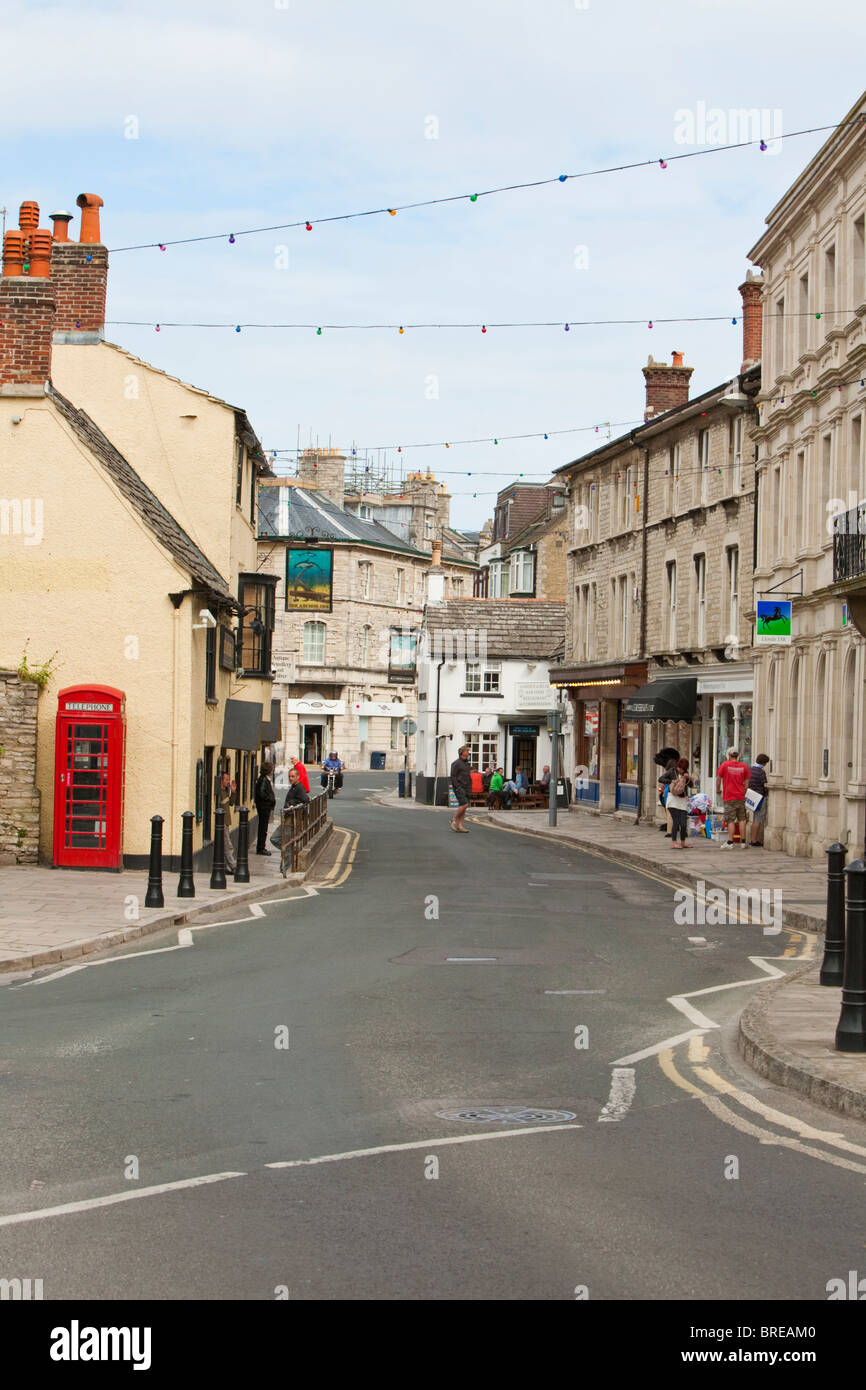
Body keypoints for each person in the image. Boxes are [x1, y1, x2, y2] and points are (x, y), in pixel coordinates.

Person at [716, 746, 751, 848]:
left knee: (730, 820)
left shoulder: (725, 765)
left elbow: (718, 779)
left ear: (729, 755)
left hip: (729, 796)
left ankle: (730, 842)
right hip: (740, 796)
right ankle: (743, 842)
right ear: (738, 755)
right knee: (742, 819)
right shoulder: (744, 766)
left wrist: (718, 790)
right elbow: (747, 782)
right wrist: (743, 792)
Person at [666, 757, 694, 850]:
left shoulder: (685, 773)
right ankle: (674, 842)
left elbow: (691, 785)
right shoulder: (671, 771)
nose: (681, 770)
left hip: (682, 800)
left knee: (683, 823)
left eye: (683, 769)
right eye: (680, 768)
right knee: (676, 822)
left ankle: (683, 842)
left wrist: (687, 777)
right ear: (678, 766)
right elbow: (661, 779)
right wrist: (672, 781)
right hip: (672, 799)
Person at [655, 748, 679, 837]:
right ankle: (671, 829)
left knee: (671, 813)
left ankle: (671, 830)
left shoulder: (672, 771)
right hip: (668, 793)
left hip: (670, 794)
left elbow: (661, 781)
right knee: (671, 813)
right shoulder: (672, 771)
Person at [254, 761, 276, 856]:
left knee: (264, 827)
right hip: (263, 807)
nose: (273, 771)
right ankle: (260, 848)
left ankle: (261, 847)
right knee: (263, 828)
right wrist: (270, 799)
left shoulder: (265, 779)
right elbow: (262, 793)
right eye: (272, 769)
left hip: (264, 806)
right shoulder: (263, 780)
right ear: (268, 770)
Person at [748, 753, 770, 847]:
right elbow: (764, 784)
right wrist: (766, 794)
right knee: (758, 819)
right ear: (764, 763)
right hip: (760, 797)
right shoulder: (761, 772)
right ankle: (754, 840)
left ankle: (752, 839)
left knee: (754, 819)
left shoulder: (751, 769)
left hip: (752, 796)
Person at [450, 744, 472, 832]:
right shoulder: (456, 763)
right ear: (462, 752)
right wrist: (457, 787)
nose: (468, 752)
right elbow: (453, 776)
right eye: (467, 751)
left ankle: (460, 826)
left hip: (467, 787)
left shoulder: (466, 763)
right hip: (459, 787)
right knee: (464, 804)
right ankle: (454, 819)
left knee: (464, 807)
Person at [218, 771, 237, 873]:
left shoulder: (225, 791)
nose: (228, 782)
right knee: (227, 845)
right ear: (221, 780)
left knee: (225, 844)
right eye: (226, 780)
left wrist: (233, 791)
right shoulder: (219, 792)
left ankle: (226, 867)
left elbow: (231, 803)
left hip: (226, 822)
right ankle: (233, 866)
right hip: (223, 822)